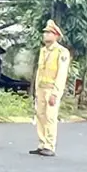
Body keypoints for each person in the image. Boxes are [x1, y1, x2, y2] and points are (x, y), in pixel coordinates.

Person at [31, 18, 71, 157]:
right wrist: (36, 90)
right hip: (41, 88)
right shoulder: (43, 51)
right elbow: (39, 71)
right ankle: (42, 144)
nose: (45, 35)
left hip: (52, 89)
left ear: (56, 36)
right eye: (45, 32)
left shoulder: (62, 52)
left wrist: (56, 93)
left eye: (49, 33)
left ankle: (50, 145)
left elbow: (61, 73)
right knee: (40, 115)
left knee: (50, 117)